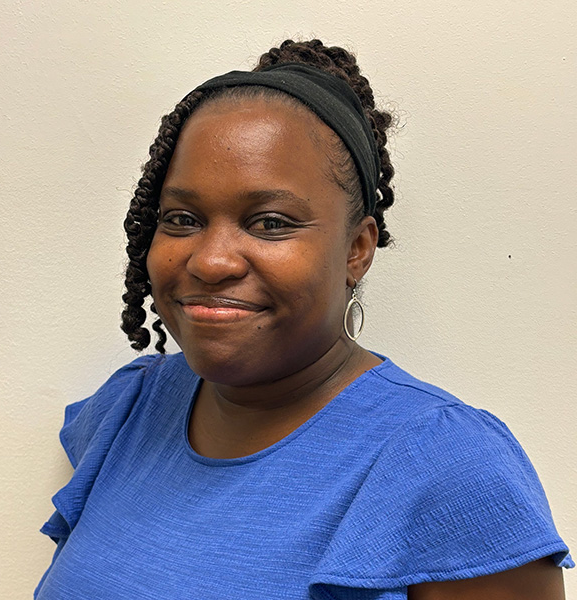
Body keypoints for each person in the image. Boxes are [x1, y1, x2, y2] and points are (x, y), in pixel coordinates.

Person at [35, 39, 572, 599]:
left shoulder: (448, 469)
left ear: (357, 250)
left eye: (269, 223)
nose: (211, 259)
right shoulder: (128, 412)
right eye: (183, 218)